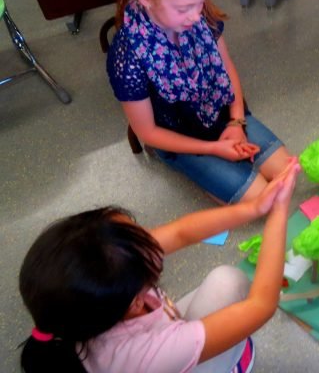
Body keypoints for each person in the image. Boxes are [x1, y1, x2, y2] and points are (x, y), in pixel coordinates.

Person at [19, 158, 300, 373]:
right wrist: (278, 212)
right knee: (232, 293)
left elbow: (181, 232)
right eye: (143, 237)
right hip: (168, 360)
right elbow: (261, 306)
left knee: (227, 280)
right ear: (133, 300)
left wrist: (254, 208)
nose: (153, 238)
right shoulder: (140, 353)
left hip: (162, 333)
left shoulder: (103, 282)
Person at [107, 0, 290, 204]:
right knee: (264, 200)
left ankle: (220, 175)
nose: (195, 16)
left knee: (285, 173)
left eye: (199, 2)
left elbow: (227, 67)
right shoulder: (128, 58)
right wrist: (214, 148)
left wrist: (237, 121)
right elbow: (148, 133)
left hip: (220, 113)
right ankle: (203, 173)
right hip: (178, 136)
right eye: (183, 8)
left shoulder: (198, 13)